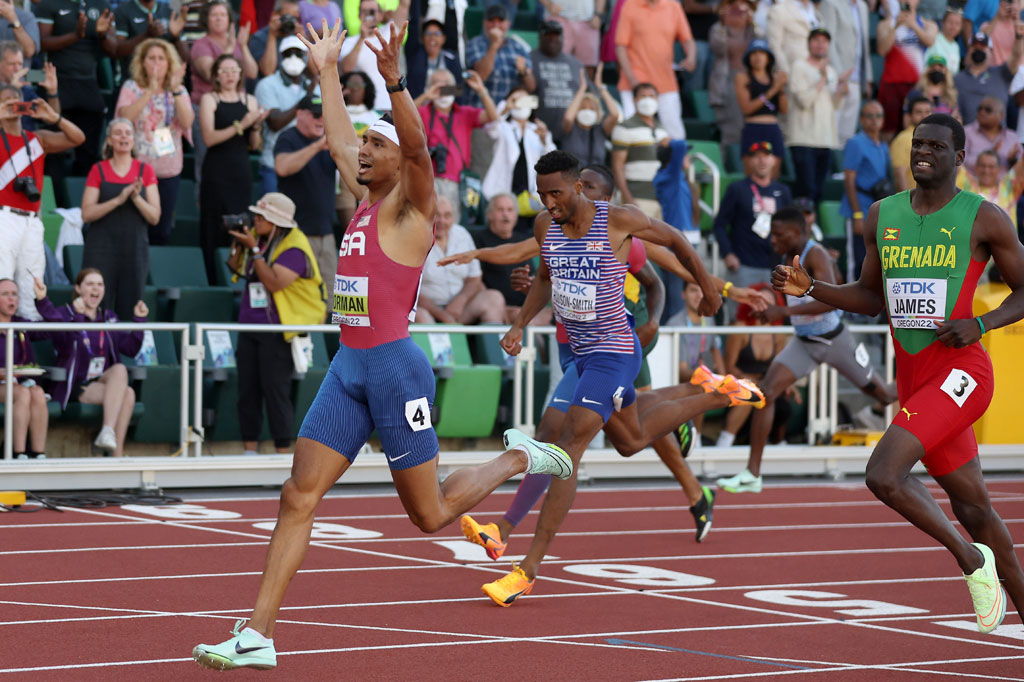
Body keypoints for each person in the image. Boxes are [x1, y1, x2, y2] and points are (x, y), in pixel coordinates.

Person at [191, 20, 574, 670]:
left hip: (396, 369)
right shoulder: (365, 203)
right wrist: (328, 72)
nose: (362, 151)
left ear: (399, 159)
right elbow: (339, 138)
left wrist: (397, 83)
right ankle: (257, 633)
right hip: (349, 367)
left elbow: (421, 155)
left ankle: (517, 459)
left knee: (429, 516)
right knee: (296, 495)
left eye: (376, 145)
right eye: (363, 144)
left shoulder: (410, 210)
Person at [468, 150, 767, 606]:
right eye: (541, 194)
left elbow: (678, 243)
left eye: (555, 193)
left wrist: (709, 288)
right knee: (631, 439)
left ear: (578, 187)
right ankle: (717, 392)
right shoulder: (546, 227)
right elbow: (546, 279)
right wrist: (520, 324)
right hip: (579, 356)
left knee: (567, 445)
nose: (548, 202)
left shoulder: (619, 220)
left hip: (614, 352)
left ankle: (526, 569)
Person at [772, 111, 1024, 644]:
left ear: (959, 158)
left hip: (963, 374)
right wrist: (813, 287)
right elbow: (871, 298)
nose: (922, 153)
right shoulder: (881, 215)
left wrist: (979, 322)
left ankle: (969, 562)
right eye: (916, 145)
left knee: (883, 474)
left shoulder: (985, 218)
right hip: (917, 381)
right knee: (974, 507)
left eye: (935, 146)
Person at [717, 206, 896, 493]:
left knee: (885, 395)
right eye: (772, 235)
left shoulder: (816, 254)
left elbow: (831, 301)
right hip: (803, 343)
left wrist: (781, 312)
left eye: (779, 235)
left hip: (835, 341)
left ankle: (924, 386)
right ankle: (752, 473)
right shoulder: (786, 255)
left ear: (798, 233)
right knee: (766, 393)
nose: (773, 240)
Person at [225, 192, 325, 454]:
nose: (255, 220)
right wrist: (238, 243)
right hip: (250, 325)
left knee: (275, 391)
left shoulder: (295, 246)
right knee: (247, 390)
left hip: (279, 328)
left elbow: (273, 282)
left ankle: (282, 451)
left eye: (261, 217)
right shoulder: (258, 239)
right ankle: (249, 449)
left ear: (276, 222)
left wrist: (255, 250)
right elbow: (235, 268)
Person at [33, 270, 146, 457]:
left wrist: (140, 320)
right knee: (128, 394)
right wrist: (76, 315)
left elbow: (130, 349)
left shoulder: (108, 316)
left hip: (101, 381)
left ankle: (108, 434)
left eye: (100, 284)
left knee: (119, 370)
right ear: (78, 288)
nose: (96, 288)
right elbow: (64, 339)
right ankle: (116, 456)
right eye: (90, 284)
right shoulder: (66, 313)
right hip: (75, 384)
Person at [0, 84, 84, 321]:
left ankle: (25, 348)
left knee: (31, 284)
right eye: (6, 101)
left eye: (16, 102)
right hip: (3, 217)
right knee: (2, 281)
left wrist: (53, 117)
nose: (13, 107)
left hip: (31, 221)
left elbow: (78, 138)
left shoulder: (39, 139)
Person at [115, 38, 193, 246]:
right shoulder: (131, 87)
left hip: (168, 169)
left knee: (162, 227)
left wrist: (175, 91)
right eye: (151, 58)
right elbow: (124, 117)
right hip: (137, 168)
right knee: (134, 225)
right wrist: (149, 90)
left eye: (161, 58)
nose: (156, 63)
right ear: (142, 62)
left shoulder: (178, 90)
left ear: (170, 63)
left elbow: (187, 122)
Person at [80, 119, 160, 321]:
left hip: (134, 249)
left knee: (131, 306)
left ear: (134, 140)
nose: (123, 136)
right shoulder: (98, 169)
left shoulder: (146, 171)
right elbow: (86, 214)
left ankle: (125, 352)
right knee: (95, 305)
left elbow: (155, 216)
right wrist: (118, 199)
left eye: (128, 133)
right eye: (118, 133)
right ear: (109, 140)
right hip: (101, 248)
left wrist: (134, 198)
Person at [199, 54, 267, 283]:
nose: (229, 75)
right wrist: (243, 124)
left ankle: (237, 277)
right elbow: (209, 138)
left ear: (240, 74)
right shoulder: (210, 99)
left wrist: (255, 125)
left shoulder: (249, 100)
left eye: (233, 70)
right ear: (216, 75)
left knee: (240, 223)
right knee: (214, 223)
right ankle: (213, 279)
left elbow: (254, 144)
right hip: (216, 169)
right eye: (224, 71)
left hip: (240, 168)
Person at [35, 0, 116, 176]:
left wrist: (102, 35)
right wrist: (76, 35)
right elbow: (40, 44)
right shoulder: (48, 4)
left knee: (89, 150)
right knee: (54, 149)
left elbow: (114, 50)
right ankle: (56, 198)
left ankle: (84, 198)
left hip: (88, 82)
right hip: (56, 80)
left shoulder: (101, 4)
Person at [713, 140, 792, 319]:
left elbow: (790, 227)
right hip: (743, 265)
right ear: (748, 161)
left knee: (773, 318)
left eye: (766, 156)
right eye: (756, 157)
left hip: (774, 266)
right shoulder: (738, 189)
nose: (761, 161)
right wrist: (727, 254)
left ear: (774, 160)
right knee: (740, 316)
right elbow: (719, 225)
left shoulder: (782, 191)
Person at [416, 68, 498, 223]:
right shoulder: (423, 112)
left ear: (454, 88)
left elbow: (493, 117)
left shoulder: (464, 113)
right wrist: (426, 96)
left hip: (457, 183)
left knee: (452, 226)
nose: (442, 87)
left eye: (447, 84)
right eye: (436, 84)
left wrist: (481, 90)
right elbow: (402, 116)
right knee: (426, 225)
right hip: (427, 181)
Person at [274, 93, 336, 289]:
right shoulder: (288, 137)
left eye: (324, 115)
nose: (321, 120)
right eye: (316, 115)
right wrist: (317, 147)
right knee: (302, 293)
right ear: (300, 114)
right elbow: (282, 167)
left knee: (332, 300)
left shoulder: (330, 141)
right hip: (297, 233)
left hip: (326, 234)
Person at [716, 282, 788, 447]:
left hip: (766, 381)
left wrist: (785, 383)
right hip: (739, 379)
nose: (765, 307)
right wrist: (747, 379)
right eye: (761, 301)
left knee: (781, 396)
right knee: (750, 392)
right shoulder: (740, 329)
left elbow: (778, 366)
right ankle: (724, 441)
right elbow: (729, 366)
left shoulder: (779, 334)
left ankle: (779, 442)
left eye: (769, 303)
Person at [416, 195, 506, 323]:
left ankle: (494, 343)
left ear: (454, 218)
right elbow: (410, 290)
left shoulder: (462, 235)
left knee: (494, 298)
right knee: (420, 315)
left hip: (459, 310)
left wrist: (460, 301)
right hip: (428, 310)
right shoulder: (416, 239)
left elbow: (474, 279)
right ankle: (441, 343)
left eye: (447, 216)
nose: (442, 221)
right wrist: (442, 315)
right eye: (437, 215)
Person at [613, 0, 695, 139]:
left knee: (675, 133)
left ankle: (679, 161)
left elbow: (687, 39)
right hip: (634, 82)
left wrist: (691, 58)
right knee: (631, 132)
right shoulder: (630, 5)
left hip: (666, 82)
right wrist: (632, 79)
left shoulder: (674, 7)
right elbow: (620, 46)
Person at [787, 27, 847, 204]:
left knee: (819, 191)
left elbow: (834, 105)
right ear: (808, 43)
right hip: (803, 139)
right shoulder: (799, 66)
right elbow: (803, 101)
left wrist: (841, 92)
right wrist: (821, 79)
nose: (820, 45)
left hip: (825, 139)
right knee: (806, 190)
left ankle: (814, 228)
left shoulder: (831, 71)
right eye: (816, 40)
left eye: (824, 41)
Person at [255, 34, 317, 196]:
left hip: (308, 165)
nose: (293, 58)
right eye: (288, 54)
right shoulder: (267, 84)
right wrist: (306, 99)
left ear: (305, 57)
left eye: (298, 54)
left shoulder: (315, 86)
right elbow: (275, 122)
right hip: (274, 164)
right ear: (281, 56)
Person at [481, 88, 555, 213]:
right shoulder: (503, 126)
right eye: (517, 100)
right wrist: (505, 107)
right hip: (503, 193)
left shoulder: (537, 130)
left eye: (525, 101)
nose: (521, 104)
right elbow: (491, 128)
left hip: (530, 198)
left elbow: (552, 160)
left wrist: (545, 140)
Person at [841, 100, 891, 282]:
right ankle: (851, 307)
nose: (874, 120)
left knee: (875, 259)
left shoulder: (882, 145)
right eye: (869, 116)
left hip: (878, 209)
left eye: (878, 116)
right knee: (857, 259)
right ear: (861, 119)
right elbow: (849, 180)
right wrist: (856, 215)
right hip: (860, 208)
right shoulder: (856, 142)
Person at [0, 278, 48, 459]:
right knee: (22, 393)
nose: (11, 299)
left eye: (14, 294)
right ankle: (17, 454)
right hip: (5, 384)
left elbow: (54, 329)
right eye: (5, 294)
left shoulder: (21, 324)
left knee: (37, 392)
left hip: (19, 383)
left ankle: (38, 454)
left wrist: (42, 301)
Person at [876, 0, 938, 138]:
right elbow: (882, 50)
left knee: (917, 128)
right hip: (891, 84)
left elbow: (930, 41)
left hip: (916, 85)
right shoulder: (886, 24)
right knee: (888, 130)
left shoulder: (928, 24)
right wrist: (896, 26)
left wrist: (914, 25)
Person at [611, 82, 668, 218]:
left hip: (662, 200)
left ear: (657, 100)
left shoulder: (662, 130)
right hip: (637, 198)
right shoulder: (624, 127)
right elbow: (617, 167)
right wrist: (628, 198)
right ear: (634, 100)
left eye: (651, 96)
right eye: (643, 96)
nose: (647, 100)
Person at [819, 0, 872, 146]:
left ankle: (842, 168)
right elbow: (828, 41)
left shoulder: (862, 6)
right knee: (831, 131)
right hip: (837, 79)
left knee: (847, 135)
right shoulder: (831, 3)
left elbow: (864, 42)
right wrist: (839, 76)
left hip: (856, 78)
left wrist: (867, 77)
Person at [463, 3, 535, 109]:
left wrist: (524, 71)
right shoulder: (474, 43)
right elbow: (481, 75)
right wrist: (494, 44)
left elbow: (531, 87)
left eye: (500, 21)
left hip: (509, 115)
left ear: (508, 24)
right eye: (491, 21)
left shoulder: (518, 47)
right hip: (481, 113)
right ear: (484, 23)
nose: (496, 25)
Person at [708, 0, 756, 150]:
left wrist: (753, 23)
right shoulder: (718, 28)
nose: (738, 11)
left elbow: (764, 48)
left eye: (743, 8)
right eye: (734, 8)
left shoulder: (753, 31)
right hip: (727, 82)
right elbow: (719, 48)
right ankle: (730, 167)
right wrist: (723, 24)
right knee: (731, 131)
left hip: (751, 83)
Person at [734, 39, 787, 175]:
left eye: (762, 53)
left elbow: (784, 109)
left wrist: (781, 88)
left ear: (768, 58)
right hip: (753, 128)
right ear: (748, 58)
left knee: (773, 177)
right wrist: (773, 90)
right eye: (754, 54)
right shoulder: (743, 77)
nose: (758, 57)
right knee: (752, 176)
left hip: (773, 128)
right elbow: (746, 108)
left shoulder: (774, 78)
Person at [954, 30, 1021, 126]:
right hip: (969, 137)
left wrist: (1019, 38)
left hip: (998, 137)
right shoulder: (957, 79)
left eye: (983, 47)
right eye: (975, 47)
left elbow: (1016, 56)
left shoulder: (1001, 73)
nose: (978, 49)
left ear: (991, 51)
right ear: (968, 50)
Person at [530, 19, 581, 144]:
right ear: (540, 36)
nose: (553, 38)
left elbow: (590, 95)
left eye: (556, 34)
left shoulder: (575, 63)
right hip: (539, 134)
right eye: (548, 34)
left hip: (571, 136)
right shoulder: (530, 59)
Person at [340, 0, 397, 111]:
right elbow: (346, 69)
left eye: (372, 11)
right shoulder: (349, 42)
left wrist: (388, 16)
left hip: (388, 105)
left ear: (380, 14)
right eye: (364, 11)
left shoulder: (389, 34)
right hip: (363, 109)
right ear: (359, 15)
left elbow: (404, 7)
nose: (368, 15)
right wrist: (362, 38)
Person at [112, 0, 186, 84]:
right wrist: (146, 35)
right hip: (133, 82)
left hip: (166, 83)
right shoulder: (123, 10)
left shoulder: (170, 10)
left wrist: (176, 38)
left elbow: (185, 58)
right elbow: (117, 51)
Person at [560, 64, 619, 168]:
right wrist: (582, 89)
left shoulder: (601, 129)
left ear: (597, 113)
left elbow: (615, 115)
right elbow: (568, 118)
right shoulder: (570, 128)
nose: (587, 111)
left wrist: (601, 88)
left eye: (591, 109)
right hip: (572, 180)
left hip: (595, 180)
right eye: (583, 108)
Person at [957, 148, 1024, 229]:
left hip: (1006, 241)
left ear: (999, 169)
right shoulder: (966, 185)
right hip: (971, 241)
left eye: (991, 166)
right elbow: (953, 160)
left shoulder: (1009, 187)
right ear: (976, 167)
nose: (986, 170)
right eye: (982, 166)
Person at [0, 42, 59, 133]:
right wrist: (11, 90)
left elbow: (51, 119)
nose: (17, 69)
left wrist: (52, 93)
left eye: (20, 64)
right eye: (11, 64)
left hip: (27, 140)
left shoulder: (25, 89)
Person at [539, 0, 603, 78]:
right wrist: (548, 4)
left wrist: (598, 15)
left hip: (588, 20)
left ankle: (585, 89)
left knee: (588, 68)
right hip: (557, 17)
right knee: (555, 63)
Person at [963, 96, 1021, 176]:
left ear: (1001, 116)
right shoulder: (966, 132)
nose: (982, 112)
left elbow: (1021, 168)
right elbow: (960, 163)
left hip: (1006, 187)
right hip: (971, 186)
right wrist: (990, 155)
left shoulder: (1012, 137)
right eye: (980, 109)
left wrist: (1012, 160)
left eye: (988, 110)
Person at [407, 17, 462, 99]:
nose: (432, 37)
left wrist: (436, 91)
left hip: (445, 107)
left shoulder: (452, 58)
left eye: (437, 34)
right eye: (428, 33)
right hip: (419, 107)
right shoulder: (415, 56)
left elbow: (459, 89)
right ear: (422, 38)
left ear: (443, 39)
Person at [765, 0, 822, 75]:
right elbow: (774, 46)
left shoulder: (815, 10)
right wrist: (785, 72)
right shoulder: (779, 10)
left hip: (817, 71)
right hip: (793, 71)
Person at [891, 95, 934, 192]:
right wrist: (908, 204)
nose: (924, 116)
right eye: (919, 112)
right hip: (913, 201)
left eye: (927, 112)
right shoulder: (904, 139)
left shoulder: (934, 138)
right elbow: (899, 174)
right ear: (909, 116)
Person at [250, 0, 302, 77]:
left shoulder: (296, 35)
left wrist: (302, 40)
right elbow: (268, 72)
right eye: (287, 17)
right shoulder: (259, 37)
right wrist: (272, 35)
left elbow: (314, 71)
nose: (290, 21)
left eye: (294, 18)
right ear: (275, 15)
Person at [904, 54, 959, 118]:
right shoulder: (916, 93)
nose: (937, 69)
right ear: (928, 70)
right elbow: (907, 117)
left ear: (945, 71)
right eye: (933, 67)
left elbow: (957, 118)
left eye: (940, 67)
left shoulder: (951, 94)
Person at [924, 7, 964, 76]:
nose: (953, 26)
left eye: (957, 24)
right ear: (942, 23)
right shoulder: (934, 39)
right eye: (950, 22)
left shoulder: (956, 46)